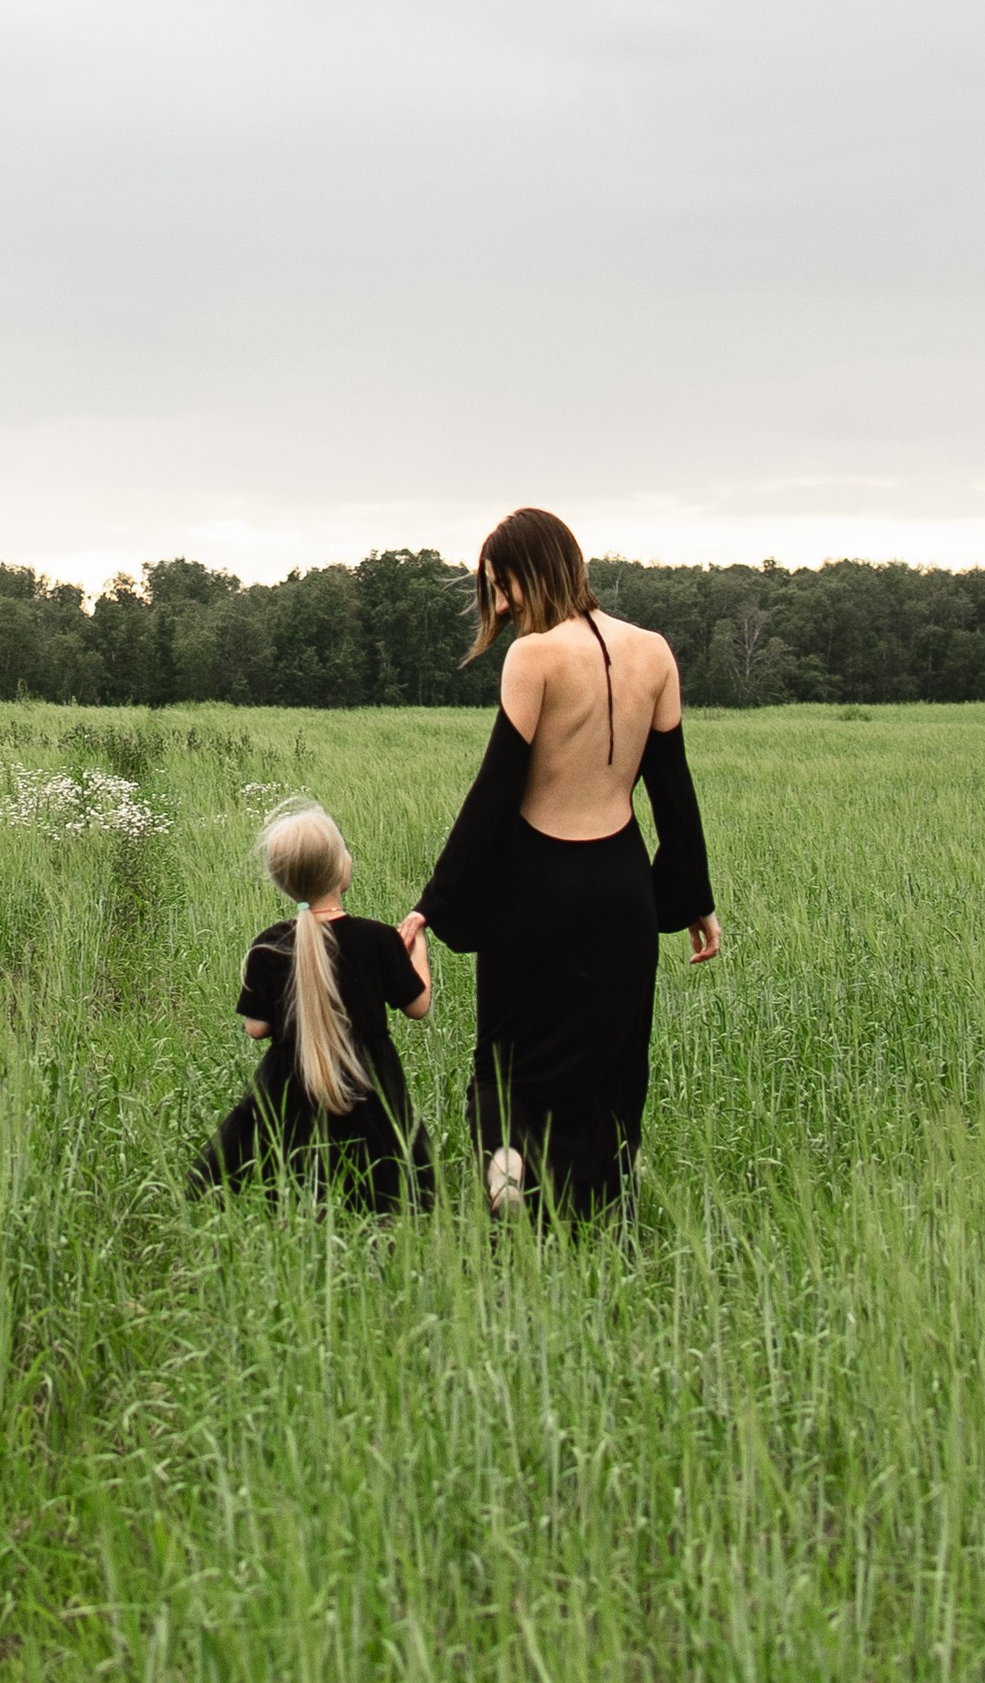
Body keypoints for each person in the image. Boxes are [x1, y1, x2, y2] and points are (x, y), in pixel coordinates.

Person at [404, 507, 721, 1218]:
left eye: (503, 585)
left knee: (506, 1059)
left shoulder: (534, 656)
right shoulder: (655, 653)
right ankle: (606, 1203)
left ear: (537, 568)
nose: (501, 605)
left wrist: (435, 903)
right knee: (610, 1060)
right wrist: (694, 898)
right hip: (621, 893)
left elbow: (495, 791)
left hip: (534, 889)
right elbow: (673, 790)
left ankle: (509, 1164)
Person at [190, 798, 437, 1212]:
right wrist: (418, 948)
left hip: (292, 1084)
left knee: (294, 1178)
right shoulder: (377, 939)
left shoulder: (269, 945)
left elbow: (256, 1028)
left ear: (283, 880)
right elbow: (418, 1006)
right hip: (368, 1084)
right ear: (340, 870)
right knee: (380, 1189)